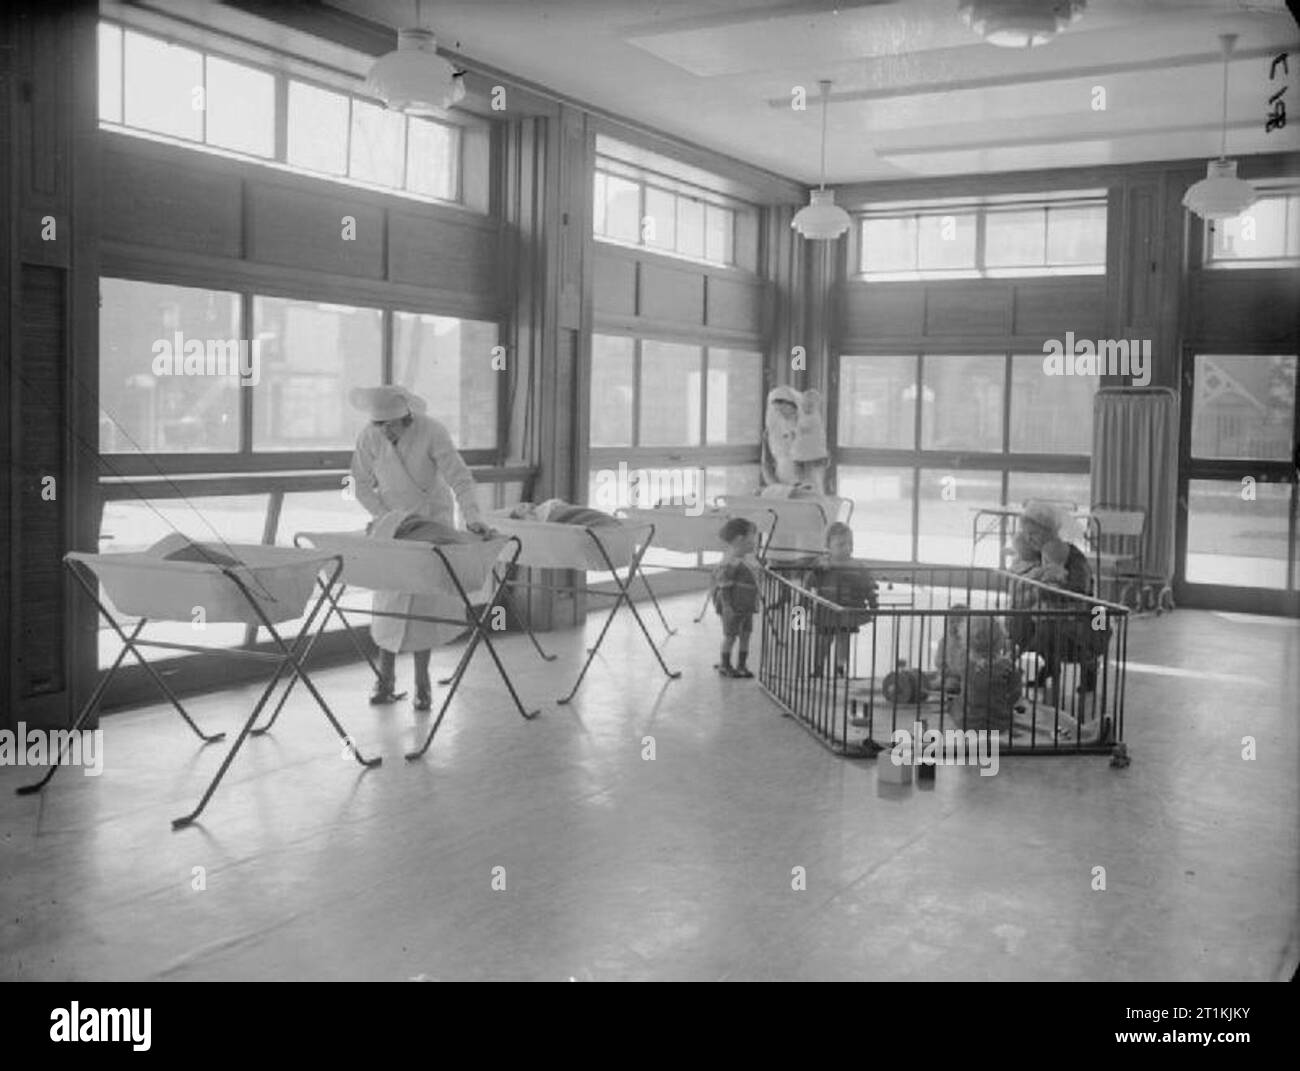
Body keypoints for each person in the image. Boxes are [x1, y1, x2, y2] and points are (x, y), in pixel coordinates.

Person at [349, 385, 490, 710]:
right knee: (388, 602)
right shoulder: (369, 436)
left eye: (391, 424)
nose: (385, 431)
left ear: (407, 417)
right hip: (393, 526)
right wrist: (385, 517)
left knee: (423, 606)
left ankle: (422, 684)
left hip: (430, 522)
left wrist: (472, 517)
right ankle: (384, 681)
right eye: (379, 425)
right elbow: (358, 482)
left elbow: (460, 478)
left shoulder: (432, 431)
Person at [805, 522, 878, 678]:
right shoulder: (822, 565)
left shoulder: (858, 566)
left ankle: (840, 668)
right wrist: (798, 618)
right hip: (826, 613)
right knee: (823, 642)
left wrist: (873, 604)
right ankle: (818, 668)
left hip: (848, 612)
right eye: (840, 544)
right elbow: (807, 587)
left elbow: (868, 586)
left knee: (843, 640)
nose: (847, 547)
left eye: (849, 543)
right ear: (828, 546)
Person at [712, 517, 760, 678]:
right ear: (740, 539)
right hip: (733, 605)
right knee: (731, 636)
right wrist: (727, 606)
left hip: (746, 605)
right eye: (752, 539)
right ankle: (725, 665)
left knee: (745, 635)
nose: (755, 543)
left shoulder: (746, 559)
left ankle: (741, 665)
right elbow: (724, 585)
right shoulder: (730, 561)